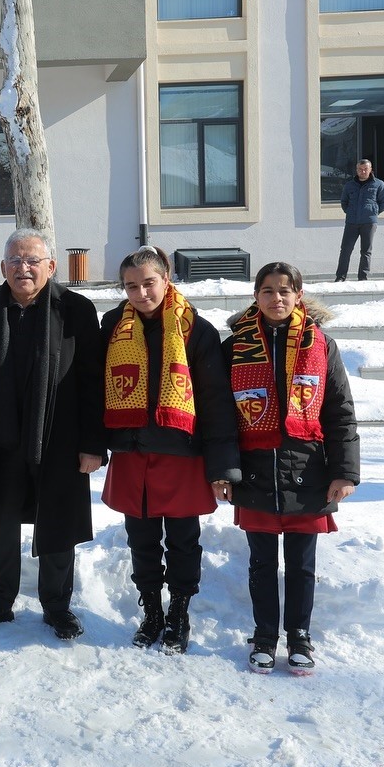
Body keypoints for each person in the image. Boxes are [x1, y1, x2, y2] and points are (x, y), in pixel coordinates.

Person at [0, 228, 105, 641]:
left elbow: (92, 380)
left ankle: (57, 605)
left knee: (57, 522)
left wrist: (93, 443)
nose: (24, 268)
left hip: (59, 436)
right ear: (3, 267)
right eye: (15, 261)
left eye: (33, 260)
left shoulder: (75, 309)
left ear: (50, 266)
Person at [223, 261, 360, 675]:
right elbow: (221, 417)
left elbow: (339, 410)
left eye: (285, 291)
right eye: (267, 290)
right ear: (256, 296)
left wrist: (344, 471)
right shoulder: (235, 346)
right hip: (254, 471)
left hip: (308, 471)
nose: (276, 298)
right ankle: (265, 635)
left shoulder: (321, 344)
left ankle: (299, 635)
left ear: (299, 296)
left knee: (302, 564)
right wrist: (224, 471)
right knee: (261, 563)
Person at [100, 246, 240, 655]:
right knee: (141, 541)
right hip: (132, 451)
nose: (141, 293)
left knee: (183, 541)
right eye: (131, 286)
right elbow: (95, 387)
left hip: (182, 453)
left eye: (149, 283)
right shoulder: (112, 326)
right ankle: (151, 612)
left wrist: (222, 466)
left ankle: (179, 611)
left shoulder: (196, 329)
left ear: (166, 280)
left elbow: (215, 402)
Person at [334, 159, 384, 282]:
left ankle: (363, 278)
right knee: (345, 250)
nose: (363, 171)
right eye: (360, 169)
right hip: (351, 222)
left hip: (369, 223)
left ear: (370, 170)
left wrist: (373, 212)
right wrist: (350, 212)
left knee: (366, 251)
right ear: (356, 170)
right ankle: (340, 277)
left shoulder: (378, 184)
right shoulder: (349, 185)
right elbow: (344, 202)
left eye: (365, 169)